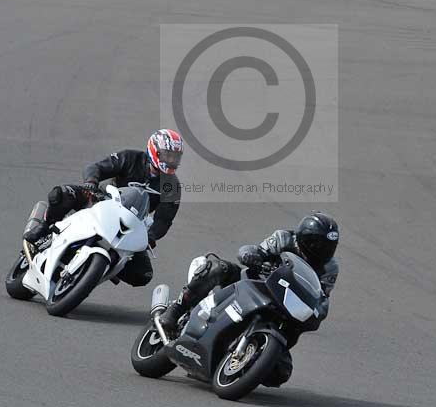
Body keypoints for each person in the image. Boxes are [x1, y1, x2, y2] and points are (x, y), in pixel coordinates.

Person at [158, 211, 339, 386]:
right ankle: (177, 309)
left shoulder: (330, 268)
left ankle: (243, 363)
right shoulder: (284, 238)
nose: (323, 250)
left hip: (286, 309)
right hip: (255, 284)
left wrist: (319, 311)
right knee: (219, 268)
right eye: (317, 244)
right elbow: (254, 250)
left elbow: (321, 296)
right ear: (304, 238)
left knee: (281, 372)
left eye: (329, 246)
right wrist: (251, 255)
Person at [24, 129, 183, 287]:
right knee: (60, 194)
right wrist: (91, 182)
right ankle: (44, 227)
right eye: (167, 155)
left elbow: (164, 220)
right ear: (154, 150)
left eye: (175, 157)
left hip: (131, 224)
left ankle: (107, 266)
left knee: (143, 275)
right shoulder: (130, 157)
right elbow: (96, 167)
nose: (171, 160)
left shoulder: (173, 186)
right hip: (101, 202)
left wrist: (151, 236)